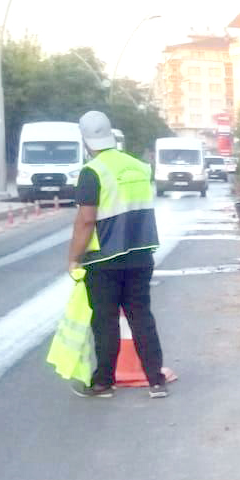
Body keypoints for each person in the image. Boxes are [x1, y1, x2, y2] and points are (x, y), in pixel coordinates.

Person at [68, 110, 166, 399]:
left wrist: (74, 257)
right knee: (141, 317)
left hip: (104, 260)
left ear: (85, 141)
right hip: (141, 254)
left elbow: (86, 220)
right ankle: (156, 381)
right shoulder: (139, 167)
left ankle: (103, 383)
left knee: (105, 320)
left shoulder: (92, 172)